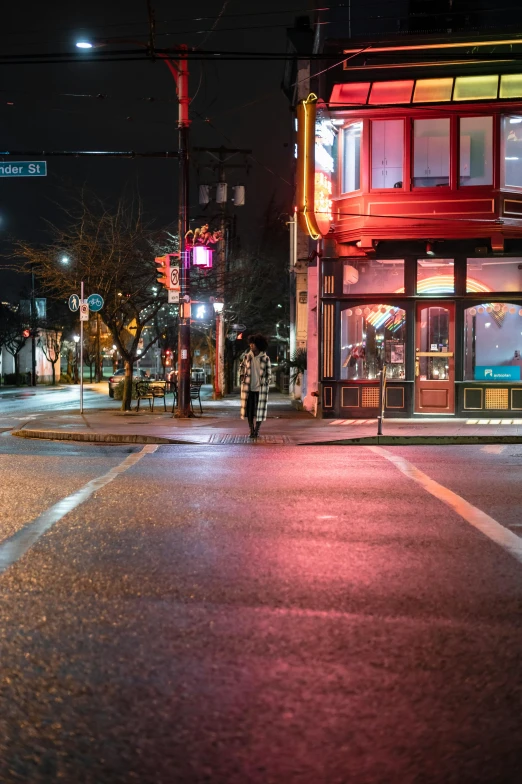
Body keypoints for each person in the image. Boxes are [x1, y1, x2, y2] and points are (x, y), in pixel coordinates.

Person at [240, 334, 272, 438]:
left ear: (259, 345)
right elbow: (241, 369)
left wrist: (265, 381)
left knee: (260, 411)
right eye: (250, 343)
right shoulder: (247, 357)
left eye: (253, 344)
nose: (251, 345)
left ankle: (257, 430)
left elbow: (269, 374)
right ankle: (251, 429)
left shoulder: (265, 358)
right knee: (249, 411)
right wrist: (242, 379)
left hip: (261, 389)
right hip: (248, 388)